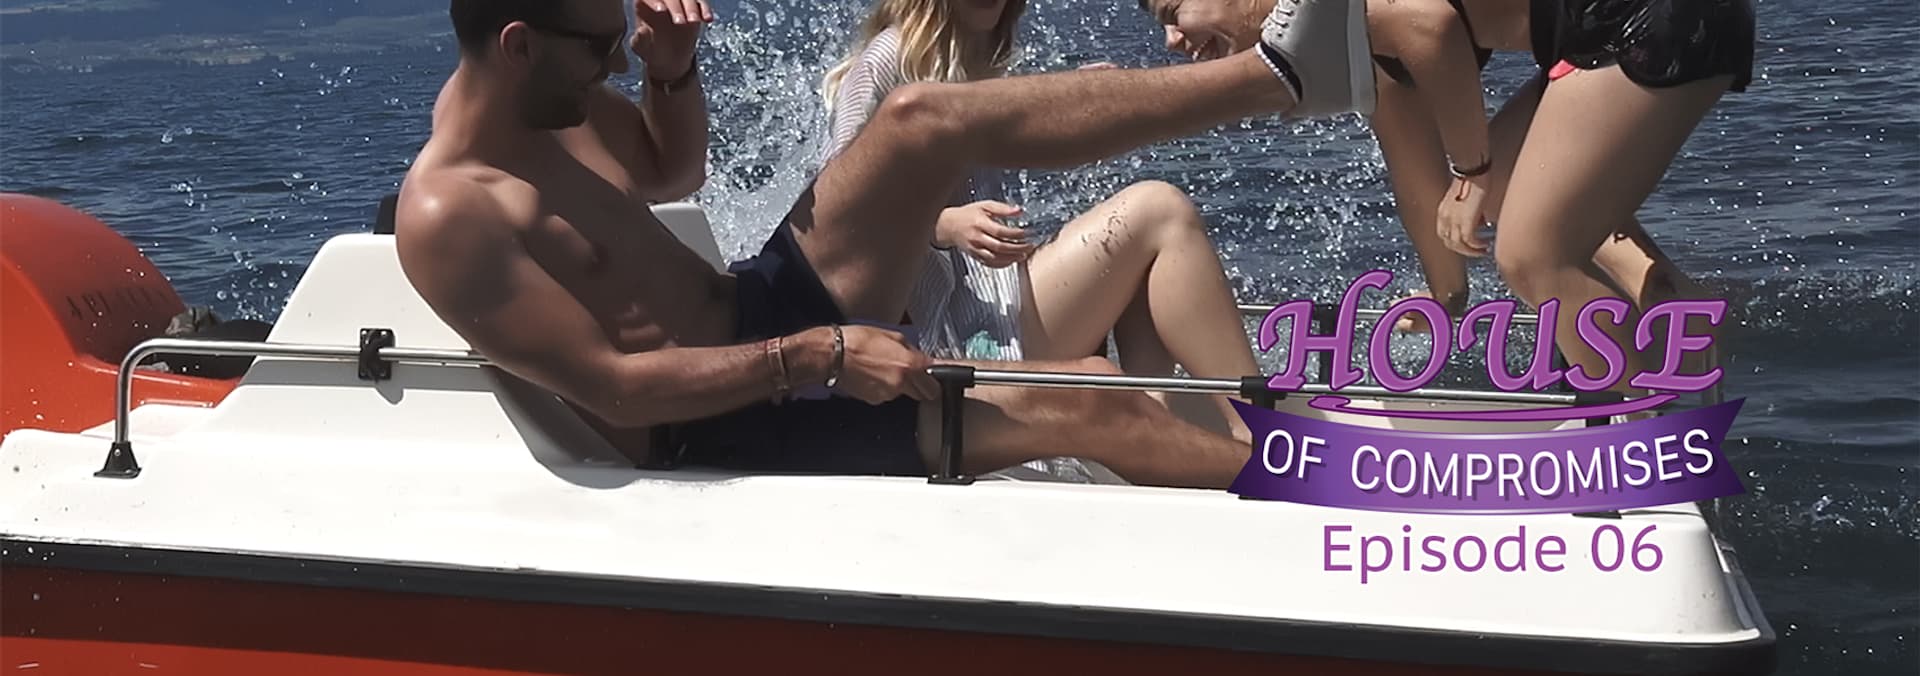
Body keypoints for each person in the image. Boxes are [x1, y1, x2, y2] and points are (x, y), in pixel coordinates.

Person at [393, 0, 1373, 489]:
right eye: (599, 47)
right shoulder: (449, 217)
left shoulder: (555, 104)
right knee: (1081, 391)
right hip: (731, 420)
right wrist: (821, 353)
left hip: (757, 308)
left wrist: (671, 72)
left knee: (918, 119)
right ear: (518, 45)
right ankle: (1318, 480)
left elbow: (667, 169)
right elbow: (617, 389)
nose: (614, 59)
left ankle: (1279, 76)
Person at [1138, 0, 1749, 382]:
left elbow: (1432, 27)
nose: (1170, 41)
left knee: (1532, 257)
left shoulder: (1322, 13)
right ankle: (1667, 300)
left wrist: (1473, 170)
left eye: (1173, 12)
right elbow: (1419, 180)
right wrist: (1446, 297)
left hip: (1655, 18)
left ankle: (1642, 439)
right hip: (1605, 32)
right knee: (1513, 196)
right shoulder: (1336, 40)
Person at [818, 0, 1260, 442]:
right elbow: (835, 223)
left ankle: (1160, 430)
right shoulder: (885, 61)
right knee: (1160, 212)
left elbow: (1011, 128)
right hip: (959, 341)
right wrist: (943, 226)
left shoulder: (965, 58)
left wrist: (1074, 96)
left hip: (994, 307)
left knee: (1141, 260)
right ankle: (1261, 436)